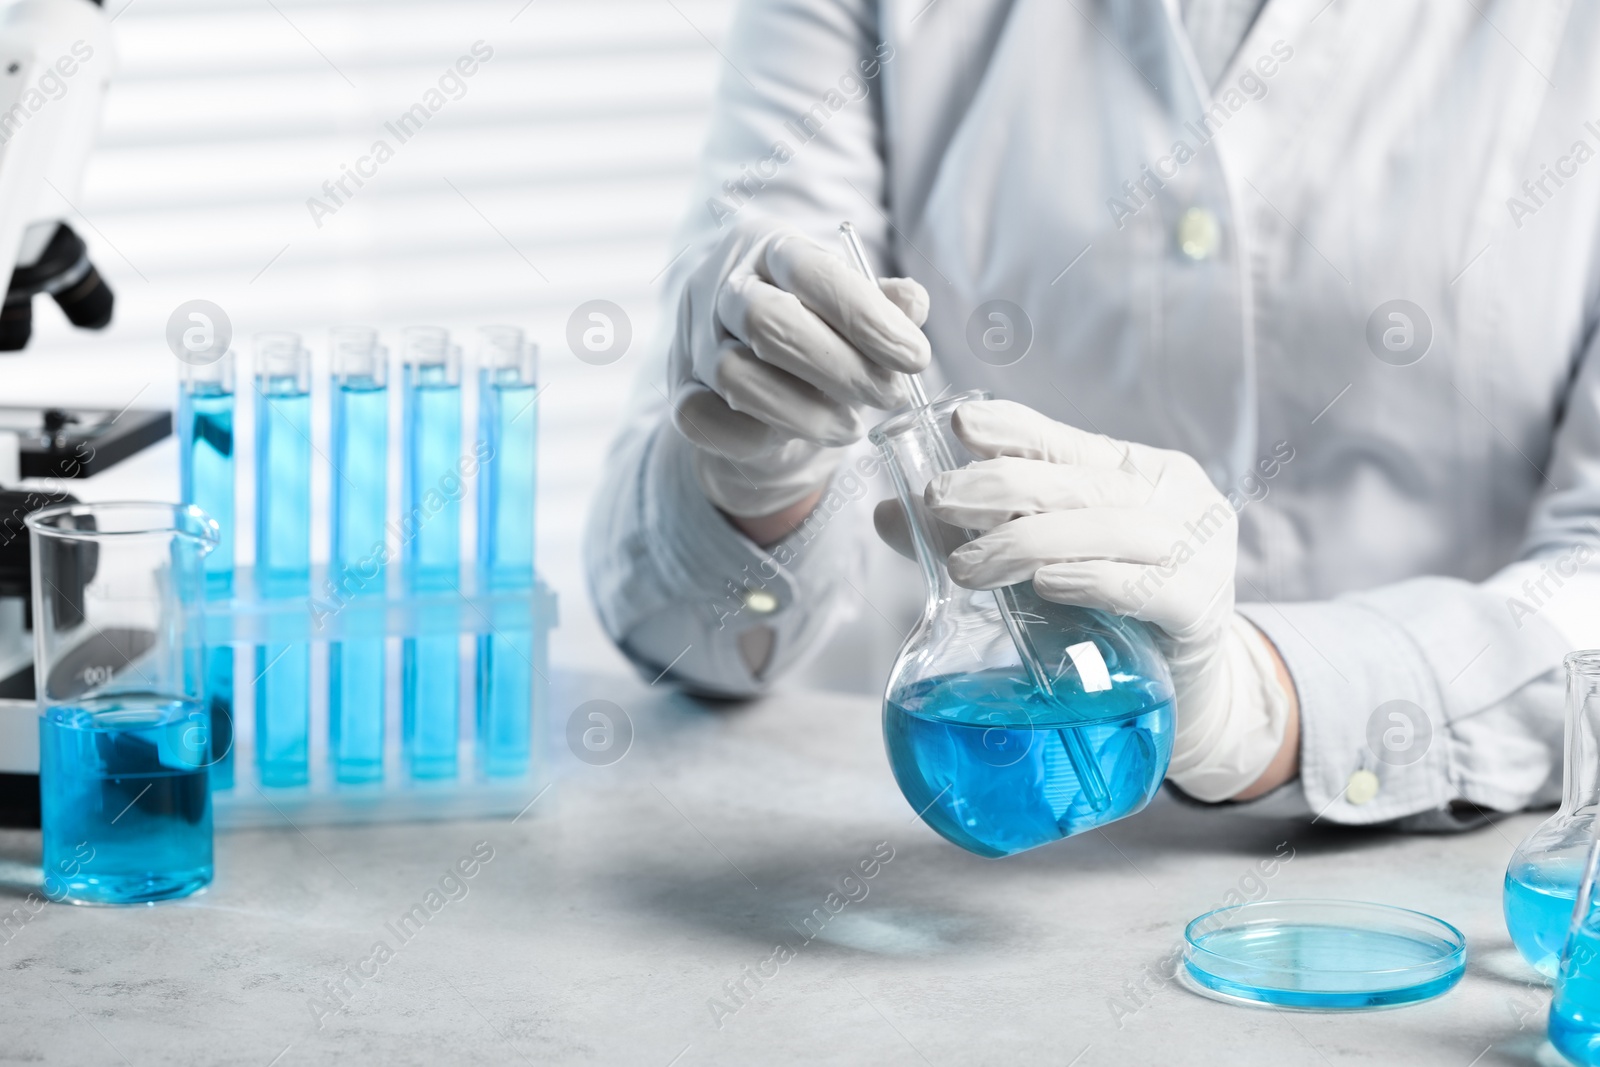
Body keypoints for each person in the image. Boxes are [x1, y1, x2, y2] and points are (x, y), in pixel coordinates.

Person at [586, 0, 1600, 828]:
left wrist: (1272, 699)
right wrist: (755, 481)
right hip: (955, 922)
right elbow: (683, 638)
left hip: (1445, 891)